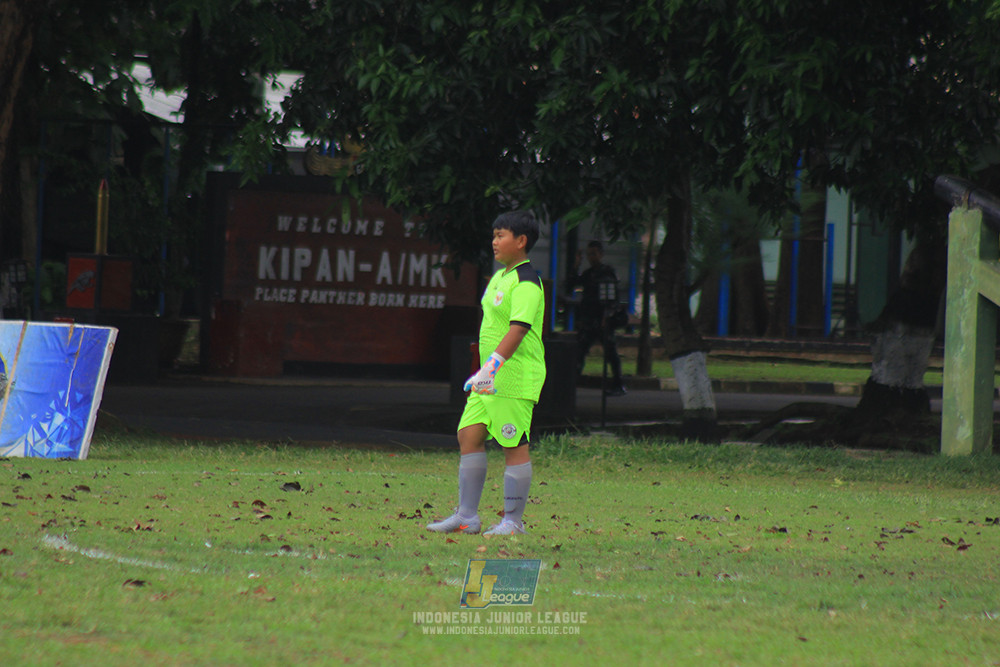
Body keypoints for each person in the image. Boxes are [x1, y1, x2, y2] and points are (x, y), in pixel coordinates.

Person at [427, 211, 546, 536]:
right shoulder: (499, 277)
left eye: (501, 235)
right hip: (488, 378)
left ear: (521, 241)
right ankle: (466, 516)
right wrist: (483, 372)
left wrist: (491, 367)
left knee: (513, 443)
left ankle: (512, 522)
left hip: (514, 377)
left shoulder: (527, 282)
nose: (494, 242)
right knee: (469, 435)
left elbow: (518, 329)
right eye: (493, 235)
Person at [570, 240, 626, 396]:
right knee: (580, 352)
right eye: (589, 254)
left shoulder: (608, 272)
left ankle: (618, 384)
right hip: (588, 321)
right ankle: (572, 384)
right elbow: (572, 283)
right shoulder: (588, 274)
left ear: (601, 254)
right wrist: (576, 265)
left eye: (594, 254)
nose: (591, 257)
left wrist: (607, 316)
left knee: (611, 353)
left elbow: (612, 298)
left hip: (602, 320)